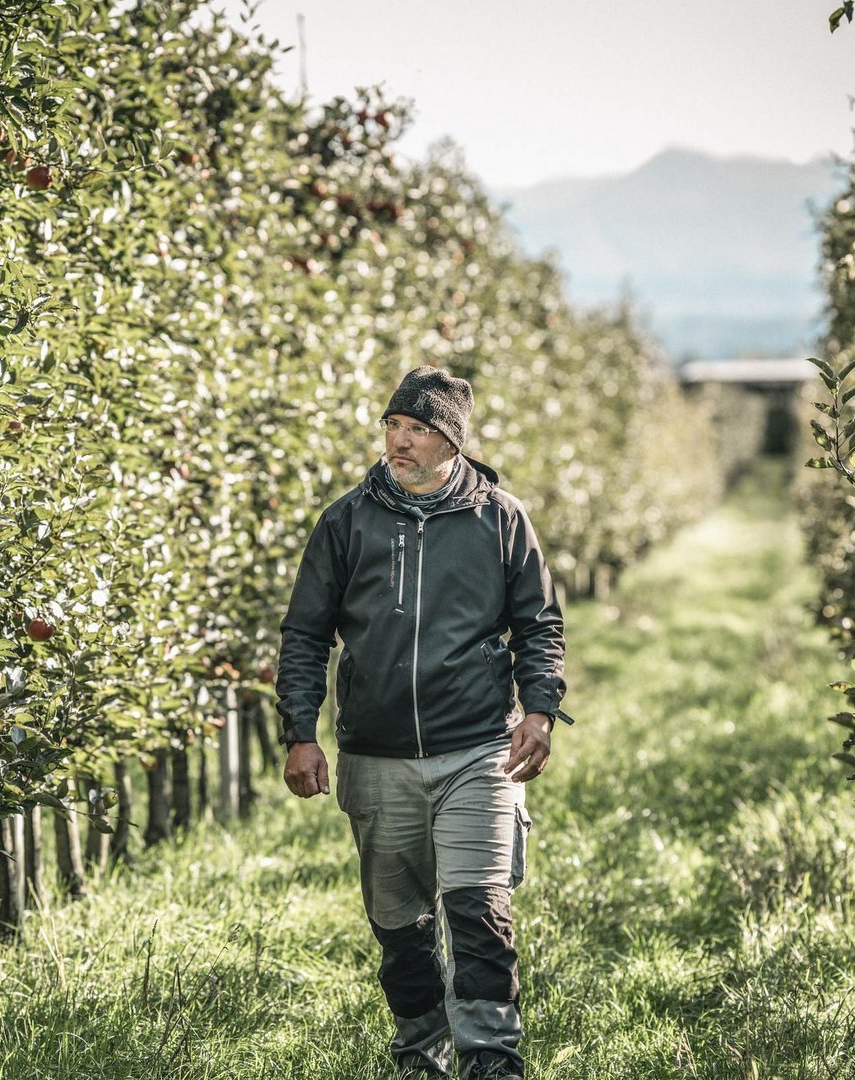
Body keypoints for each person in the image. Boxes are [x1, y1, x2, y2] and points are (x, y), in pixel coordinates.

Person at [276, 366, 571, 1080]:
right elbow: (305, 634)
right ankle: (421, 1055)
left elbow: (539, 624)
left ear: (452, 443)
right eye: (393, 426)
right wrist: (299, 730)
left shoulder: (500, 518)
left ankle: (492, 1062)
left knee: (479, 913)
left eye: (417, 430)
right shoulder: (346, 521)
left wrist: (539, 710)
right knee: (401, 928)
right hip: (376, 754)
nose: (398, 442)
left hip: (477, 747)